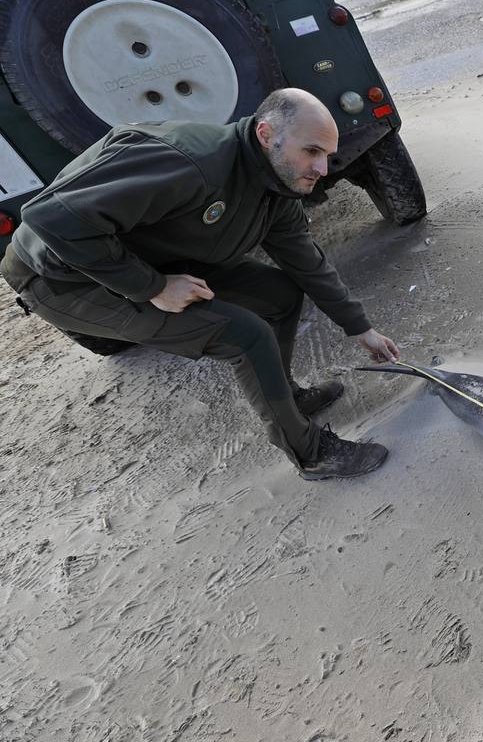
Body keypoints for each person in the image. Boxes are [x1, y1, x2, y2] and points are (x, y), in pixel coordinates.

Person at [0, 88, 401, 480]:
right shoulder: (191, 162)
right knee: (247, 335)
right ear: (266, 135)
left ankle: (287, 402)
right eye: (311, 151)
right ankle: (309, 453)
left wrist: (359, 327)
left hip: (147, 259)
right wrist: (153, 287)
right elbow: (49, 217)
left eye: (328, 156)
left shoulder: (276, 186)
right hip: (63, 278)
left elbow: (307, 264)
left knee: (280, 295)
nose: (323, 169)